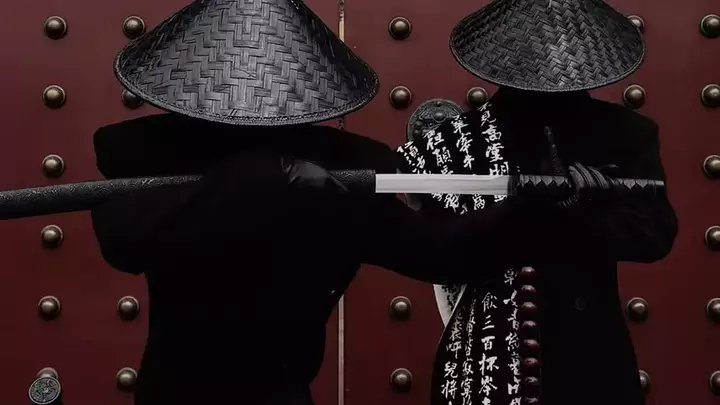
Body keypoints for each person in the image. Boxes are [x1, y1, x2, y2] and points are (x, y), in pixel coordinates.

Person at [89, 1, 600, 404]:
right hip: (173, 393)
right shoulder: (158, 160)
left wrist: (527, 208)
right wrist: (261, 178)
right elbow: (123, 238)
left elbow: (439, 252)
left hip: (281, 393)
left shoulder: (335, 174)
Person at [395, 0, 679, 404]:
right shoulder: (455, 140)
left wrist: (591, 214)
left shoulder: (624, 132)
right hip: (489, 356)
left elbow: (656, 235)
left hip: (591, 357)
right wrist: (520, 212)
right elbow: (434, 255)